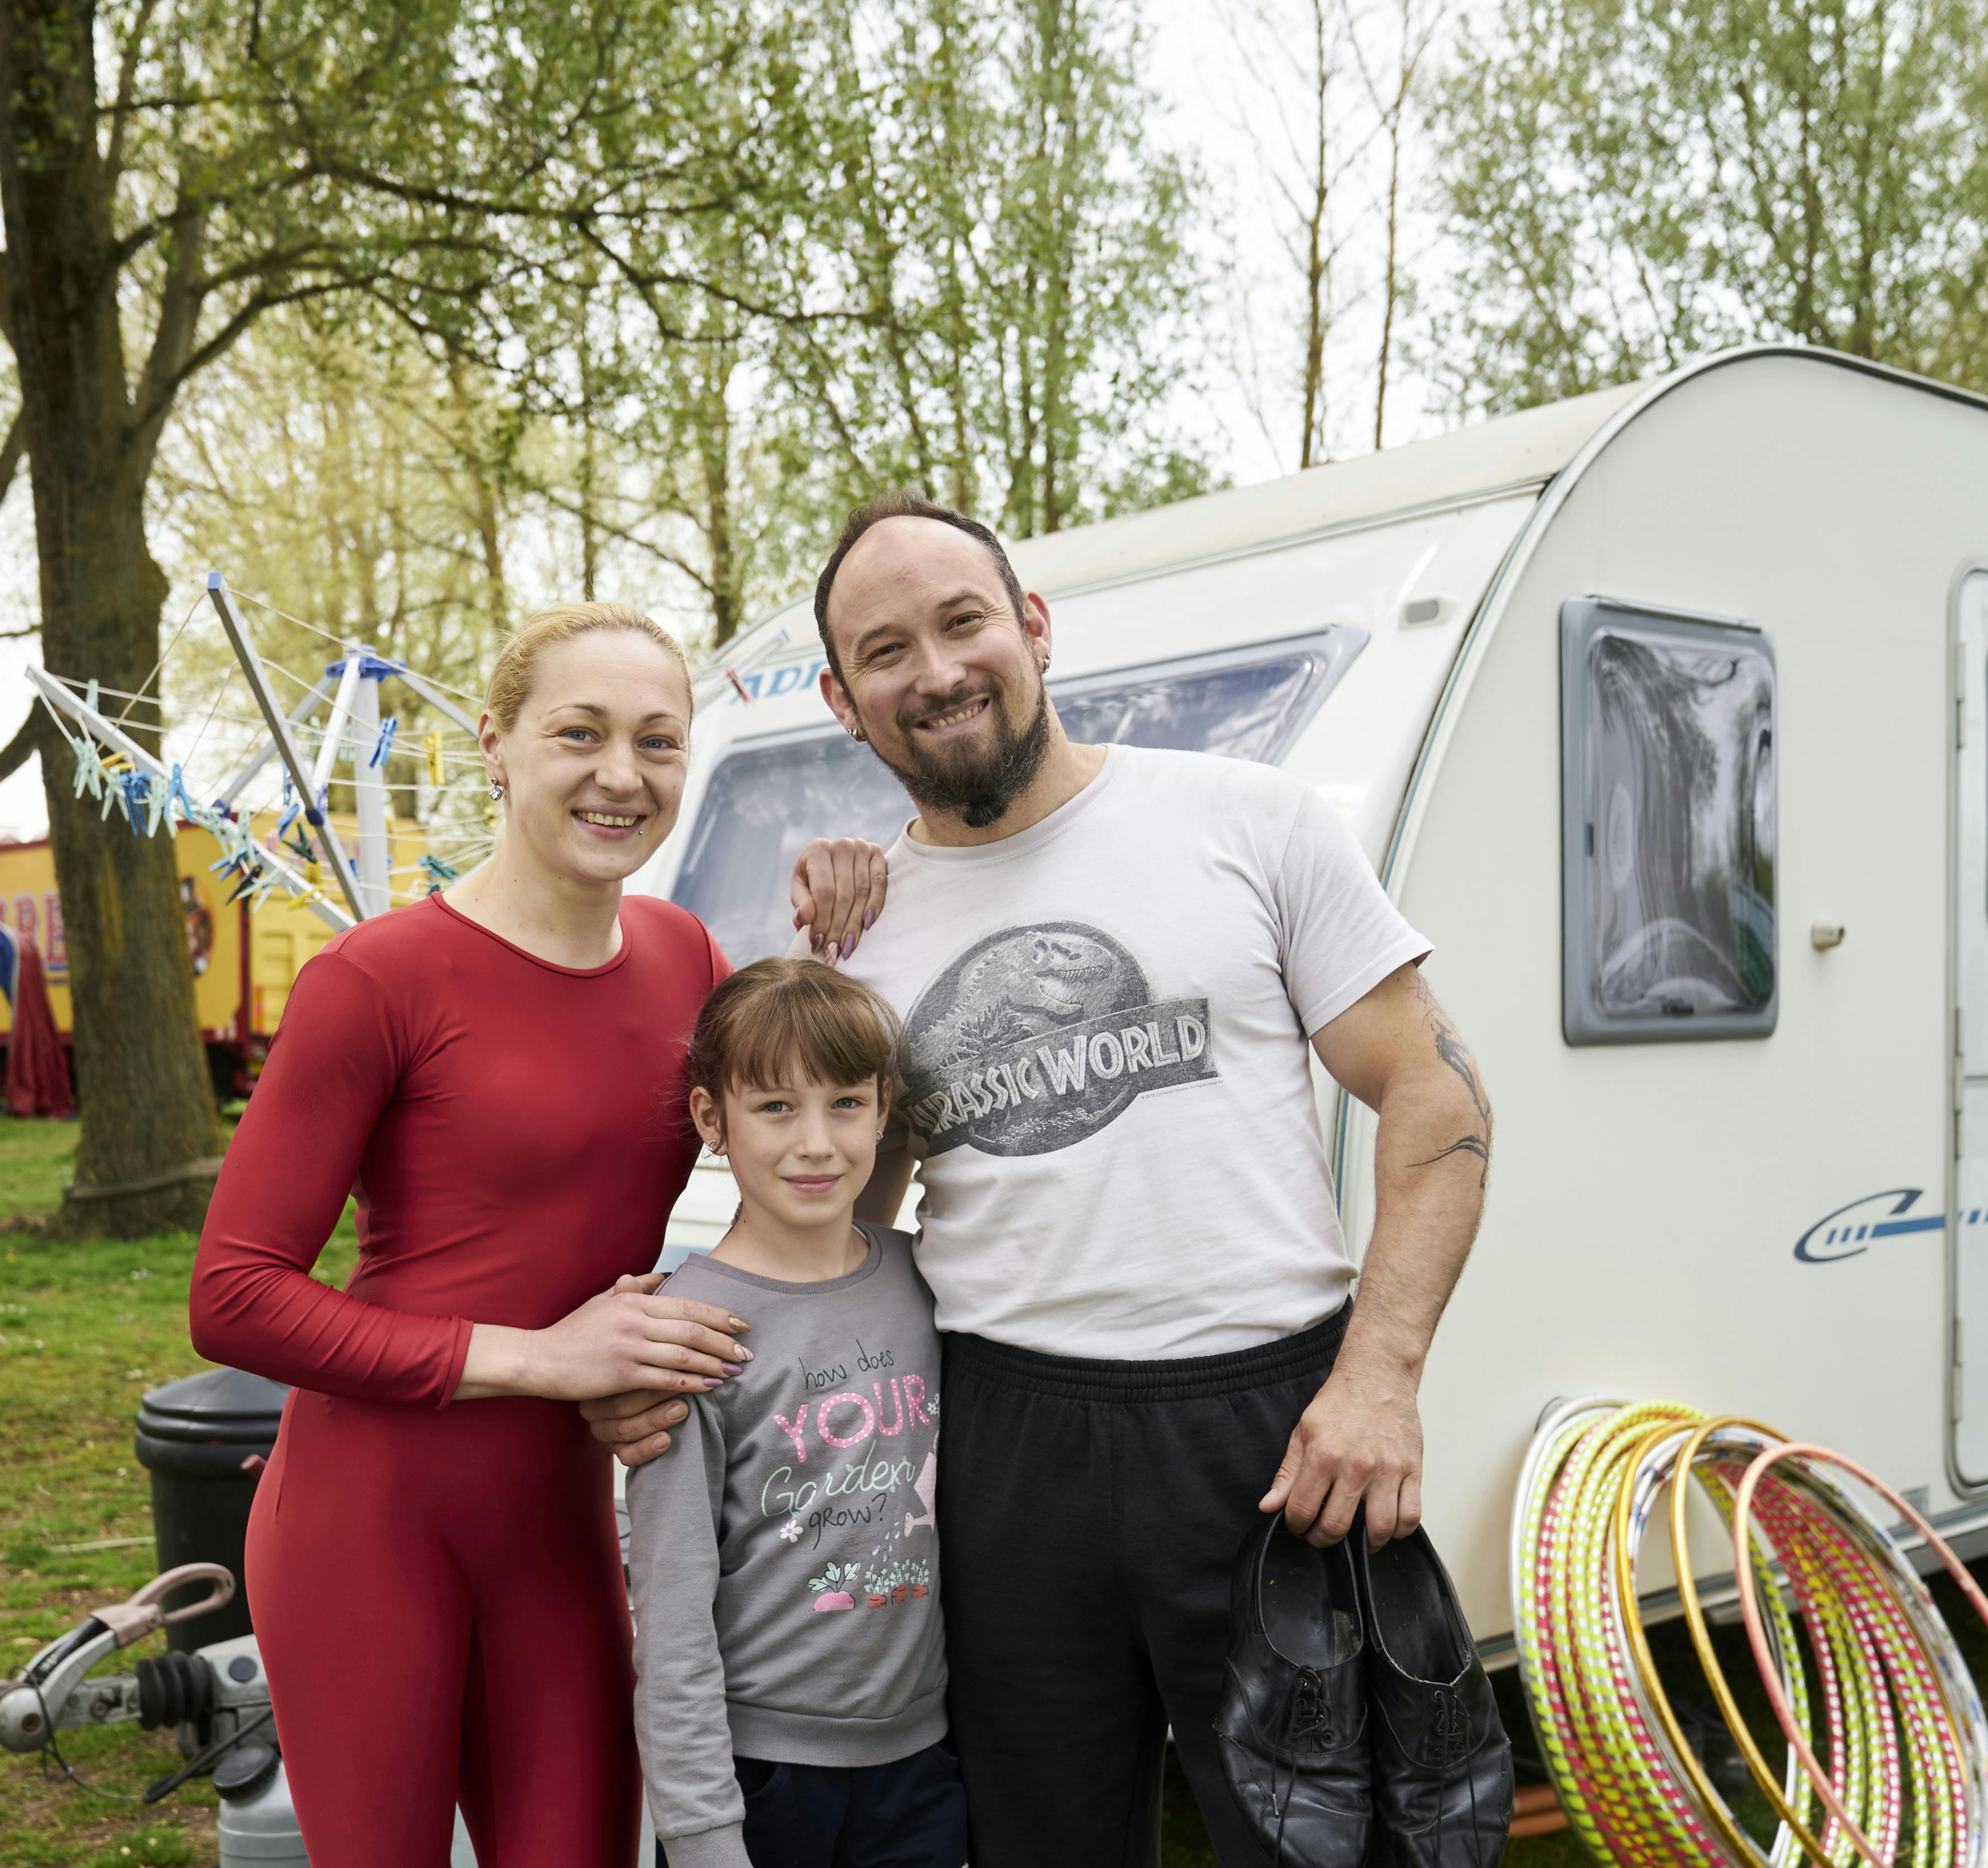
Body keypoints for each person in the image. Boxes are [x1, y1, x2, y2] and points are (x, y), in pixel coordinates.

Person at [589, 494, 1497, 1868]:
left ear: (1034, 626)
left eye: (963, 622)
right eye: (887, 650)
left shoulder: (1248, 821)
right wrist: (683, 1336)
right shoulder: (865, 936)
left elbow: (1437, 1094)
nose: (937, 670)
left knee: (1327, 1840)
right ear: (843, 701)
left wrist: (1380, 1377)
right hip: (1003, 1437)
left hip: (1263, 1423)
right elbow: (839, 1211)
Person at [190, 602, 780, 1868]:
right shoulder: (378, 975)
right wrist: (545, 1359)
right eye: (581, 733)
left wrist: (858, 909)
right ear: (493, 744)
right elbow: (234, 1294)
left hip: (560, 1526)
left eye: (659, 741)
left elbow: (800, 1156)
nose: (623, 774)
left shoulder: (690, 958)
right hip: (370, 1520)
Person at [629, 959, 961, 1868]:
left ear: (885, 1109)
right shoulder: (692, 1331)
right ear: (713, 1121)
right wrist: (699, 1833)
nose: (816, 1143)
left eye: (846, 1103)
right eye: (776, 1107)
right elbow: (672, 1608)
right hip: (760, 1776)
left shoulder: (925, 1281)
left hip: (919, 1763)